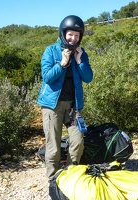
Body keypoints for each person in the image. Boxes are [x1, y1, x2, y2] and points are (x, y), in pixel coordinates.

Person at [37, 15, 93, 180]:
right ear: (63, 33)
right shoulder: (50, 51)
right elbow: (47, 77)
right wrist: (62, 63)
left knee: (77, 142)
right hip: (52, 106)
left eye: (77, 35)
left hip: (73, 106)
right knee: (53, 146)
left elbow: (88, 78)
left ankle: (70, 176)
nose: (73, 38)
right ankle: (53, 179)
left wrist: (79, 61)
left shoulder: (81, 53)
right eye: (70, 34)